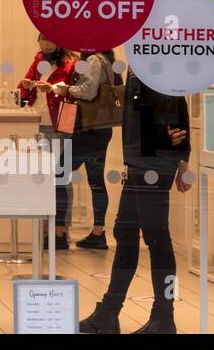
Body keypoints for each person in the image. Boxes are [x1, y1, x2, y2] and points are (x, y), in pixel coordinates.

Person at [79, 71, 191, 334]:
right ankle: (109, 312)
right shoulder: (139, 59)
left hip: (154, 160)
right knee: (126, 232)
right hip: (140, 159)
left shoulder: (156, 55)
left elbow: (177, 104)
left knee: (157, 237)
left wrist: (182, 156)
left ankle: (164, 316)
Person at [17, 32, 77, 250]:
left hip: (60, 125)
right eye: (42, 39)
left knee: (60, 177)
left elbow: (74, 94)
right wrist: (27, 85)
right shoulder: (38, 60)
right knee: (40, 177)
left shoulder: (71, 64)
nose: (45, 44)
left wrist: (51, 88)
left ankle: (60, 231)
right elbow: (23, 91)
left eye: (50, 39)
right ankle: (43, 229)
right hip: (36, 122)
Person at [62, 48, 121, 249]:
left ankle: (59, 233)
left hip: (88, 128)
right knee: (96, 181)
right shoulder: (107, 60)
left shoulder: (95, 60)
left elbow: (88, 91)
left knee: (58, 174)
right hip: (100, 128)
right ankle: (98, 233)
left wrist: (66, 88)